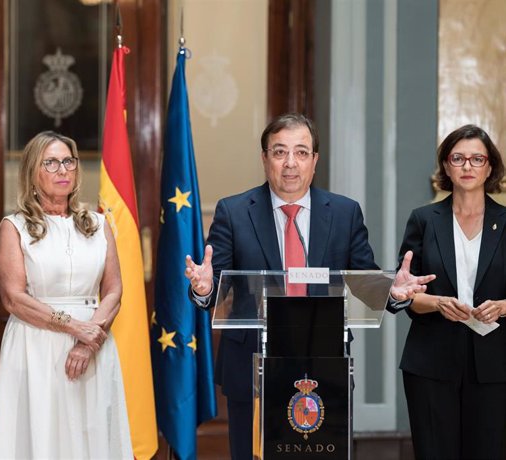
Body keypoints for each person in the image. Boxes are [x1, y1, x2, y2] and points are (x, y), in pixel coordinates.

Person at [184, 113, 432, 459]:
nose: (290, 164)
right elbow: (217, 291)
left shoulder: (344, 213)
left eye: (301, 152)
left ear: (315, 160)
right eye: (279, 152)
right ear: (264, 158)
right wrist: (205, 288)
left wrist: (391, 290)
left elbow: (364, 279)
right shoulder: (233, 211)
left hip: (323, 361)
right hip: (253, 363)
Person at [0, 131, 133, 459]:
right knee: (41, 436)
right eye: (51, 163)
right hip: (35, 346)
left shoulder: (99, 224)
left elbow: (113, 290)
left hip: (93, 345)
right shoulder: (14, 227)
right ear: (32, 172)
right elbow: (13, 298)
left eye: (69, 161)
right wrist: (73, 328)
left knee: (91, 433)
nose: (63, 170)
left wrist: (88, 339)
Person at [392, 124, 506, 459]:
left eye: (476, 159)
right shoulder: (424, 220)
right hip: (431, 363)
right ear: (445, 165)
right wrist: (437, 302)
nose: (467, 166)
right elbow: (407, 295)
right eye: (458, 158)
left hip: (495, 366)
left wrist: (502, 306)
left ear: (490, 167)